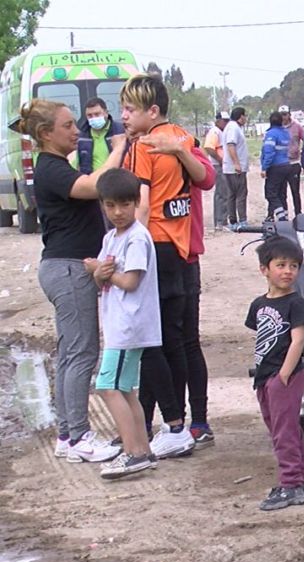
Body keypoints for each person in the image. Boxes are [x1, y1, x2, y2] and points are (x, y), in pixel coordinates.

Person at [20, 99, 126, 463]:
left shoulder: (54, 164)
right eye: (67, 125)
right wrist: (120, 146)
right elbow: (96, 186)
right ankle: (79, 435)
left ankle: (68, 434)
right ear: (46, 134)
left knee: (71, 354)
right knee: (81, 353)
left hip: (64, 267)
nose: (76, 130)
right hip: (67, 269)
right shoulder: (50, 168)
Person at [120, 73, 207, 459]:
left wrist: (127, 245)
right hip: (182, 248)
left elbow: (141, 200)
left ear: (151, 111)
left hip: (156, 246)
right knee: (182, 340)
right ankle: (185, 423)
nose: (123, 116)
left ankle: (173, 424)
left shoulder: (145, 146)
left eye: (129, 109)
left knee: (155, 341)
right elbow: (204, 177)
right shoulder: (181, 139)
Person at [138, 132, 217, 449]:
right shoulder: (143, 151)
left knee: (178, 342)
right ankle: (151, 422)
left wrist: (181, 150)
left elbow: (208, 177)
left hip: (181, 256)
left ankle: (191, 422)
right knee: (158, 344)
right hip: (170, 255)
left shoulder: (184, 147)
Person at [83, 168, 160, 480]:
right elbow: (104, 275)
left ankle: (130, 453)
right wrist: (100, 271)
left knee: (108, 386)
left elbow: (128, 281)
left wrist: (100, 271)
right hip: (119, 324)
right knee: (126, 389)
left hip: (129, 326)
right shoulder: (111, 237)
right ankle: (142, 450)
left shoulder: (137, 237)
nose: (118, 212)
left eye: (125, 205)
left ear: (136, 202)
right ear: (102, 204)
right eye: (111, 205)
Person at [245, 236, 304, 510]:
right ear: (264, 269)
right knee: (277, 427)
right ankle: (299, 478)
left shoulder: (295, 303)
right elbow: (260, 336)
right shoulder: (259, 304)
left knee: (284, 430)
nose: (288, 271)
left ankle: (290, 482)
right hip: (264, 376)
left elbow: (298, 340)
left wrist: (284, 374)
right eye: (281, 265)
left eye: (294, 266)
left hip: (285, 377)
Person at [73, 97, 126, 175]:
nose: (93, 118)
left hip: (116, 181)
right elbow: (76, 163)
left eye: (97, 114)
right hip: (91, 183)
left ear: (106, 113)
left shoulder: (120, 131)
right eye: (89, 115)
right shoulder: (82, 137)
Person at [202, 111, 230, 230]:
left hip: (223, 165)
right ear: (218, 121)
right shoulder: (215, 132)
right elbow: (209, 147)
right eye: (224, 121)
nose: (226, 123)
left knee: (225, 193)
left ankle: (223, 219)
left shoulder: (223, 132)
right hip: (218, 166)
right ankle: (220, 222)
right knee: (221, 193)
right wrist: (220, 160)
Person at [222, 106, 250, 228]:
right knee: (240, 194)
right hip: (235, 169)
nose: (246, 118)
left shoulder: (233, 127)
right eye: (245, 116)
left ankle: (233, 220)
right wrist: (237, 163)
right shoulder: (233, 128)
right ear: (241, 116)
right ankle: (241, 220)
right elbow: (231, 145)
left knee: (232, 194)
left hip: (231, 167)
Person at [261, 111, 291, 220]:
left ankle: (281, 218)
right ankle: (285, 216)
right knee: (282, 193)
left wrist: (264, 168)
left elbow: (269, 152)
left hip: (275, 167)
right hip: (286, 165)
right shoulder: (285, 133)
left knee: (271, 193)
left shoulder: (271, 134)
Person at [279, 106, 304, 216]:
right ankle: (284, 214)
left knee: (295, 191)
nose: (283, 117)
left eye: (285, 114)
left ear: (289, 114)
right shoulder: (277, 128)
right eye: (281, 115)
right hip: (281, 164)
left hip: (294, 163)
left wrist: (302, 154)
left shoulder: (297, 127)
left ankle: (298, 214)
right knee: (282, 191)